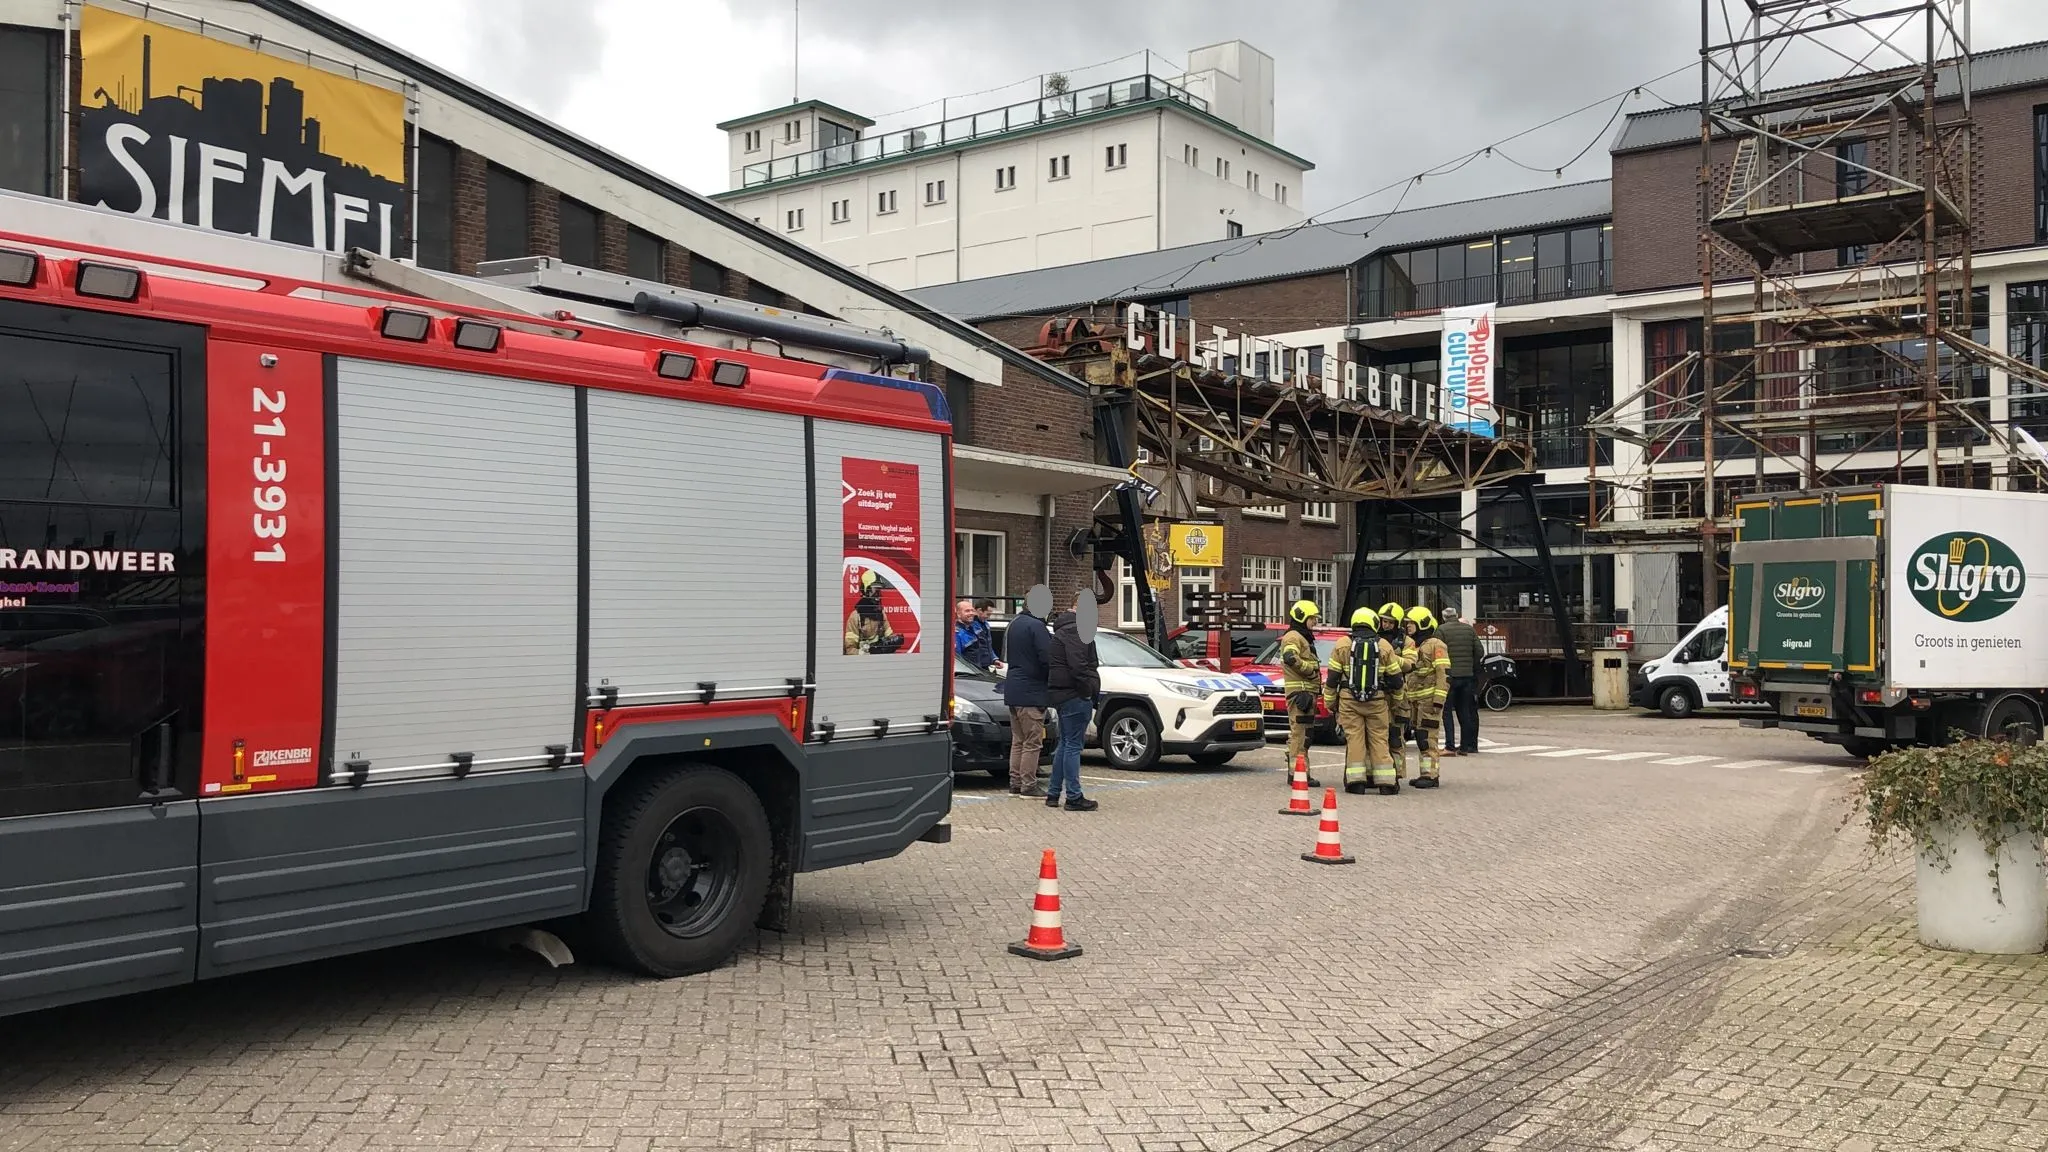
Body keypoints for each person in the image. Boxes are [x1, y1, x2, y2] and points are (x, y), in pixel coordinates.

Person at [1323, 607, 1410, 795]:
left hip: (1349, 701)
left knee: (1355, 740)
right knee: (1379, 740)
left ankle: (1356, 783)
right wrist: (1395, 702)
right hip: (1377, 701)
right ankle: (1387, 783)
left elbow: (1332, 678)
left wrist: (1330, 703)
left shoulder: (1342, 645)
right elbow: (1396, 680)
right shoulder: (1384, 646)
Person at [1045, 591, 1102, 811]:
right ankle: (1074, 796)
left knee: (1065, 743)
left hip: (1062, 693)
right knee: (1073, 746)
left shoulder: (1063, 629)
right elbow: (1079, 666)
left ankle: (1053, 793)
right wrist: (1087, 690)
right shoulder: (1077, 630)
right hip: (1074, 694)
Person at [1000, 585, 1054, 797]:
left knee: (1018, 740)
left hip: (1013, 689)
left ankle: (1015, 782)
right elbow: (1047, 658)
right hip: (1032, 691)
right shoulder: (1037, 627)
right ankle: (1028, 785)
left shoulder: (1014, 624)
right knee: (1033, 742)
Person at [1404, 605, 1453, 788]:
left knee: (1427, 738)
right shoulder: (1414, 645)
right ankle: (1425, 773)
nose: (1408, 626)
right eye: (1407, 623)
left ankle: (1431, 775)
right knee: (1420, 737)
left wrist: (1438, 700)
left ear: (1422, 624)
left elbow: (1443, 673)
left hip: (1429, 702)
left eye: (1412, 623)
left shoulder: (1436, 645)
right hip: (1415, 701)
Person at [1277, 600, 1324, 788]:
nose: (1314, 622)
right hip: (1300, 693)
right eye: (1312, 618)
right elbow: (1290, 658)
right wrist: (1310, 671)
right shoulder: (1293, 637)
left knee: (1305, 734)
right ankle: (1298, 774)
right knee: (1300, 735)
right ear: (1302, 617)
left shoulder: (1302, 636)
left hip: (1305, 692)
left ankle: (1298, 772)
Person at [1437, 607, 1484, 756]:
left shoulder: (1441, 630)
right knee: (1464, 711)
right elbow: (1480, 651)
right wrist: (1471, 666)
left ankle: (1450, 746)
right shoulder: (1469, 630)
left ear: (1444, 617)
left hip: (1450, 677)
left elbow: (1436, 652)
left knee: (1447, 712)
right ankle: (1465, 747)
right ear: (1456, 615)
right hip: (1467, 677)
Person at [1376, 602, 1414, 765]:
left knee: (1396, 737)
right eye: (1384, 621)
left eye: (1390, 622)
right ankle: (1378, 772)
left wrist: (1390, 657)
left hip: (1397, 695)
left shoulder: (1406, 642)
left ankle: (1398, 773)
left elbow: (1410, 663)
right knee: (1377, 737)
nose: (1386, 625)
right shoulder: (1374, 639)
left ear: (1397, 624)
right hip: (1378, 694)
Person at [844, 569, 901, 654]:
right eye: (875, 588)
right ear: (866, 590)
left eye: (879, 589)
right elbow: (849, 649)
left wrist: (893, 642)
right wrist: (864, 653)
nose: (878, 593)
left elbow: (889, 636)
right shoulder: (856, 617)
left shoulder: (881, 614)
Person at [954, 599, 998, 668]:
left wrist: (993, 659)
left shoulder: (972, 630)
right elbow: (957, 660)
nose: (971, 613)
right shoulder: (957, 634)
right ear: (958, 614)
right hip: (967, 673)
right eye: (967, 611)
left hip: (978, 671)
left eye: (972, 610)